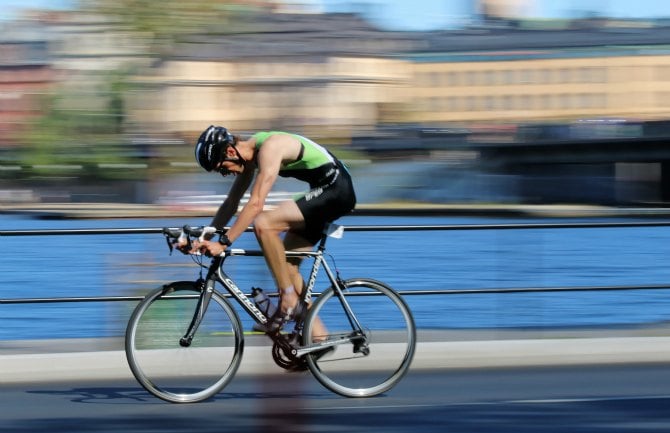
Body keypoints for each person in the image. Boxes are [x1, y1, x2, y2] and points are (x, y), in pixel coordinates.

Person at [186, 125, 356, 336]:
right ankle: (319, 337)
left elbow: (256, 203)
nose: (224, 174)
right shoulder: (250, 159)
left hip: (337, 189)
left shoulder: (269, 148)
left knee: (264, 224)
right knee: (286, 267)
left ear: (230, 151)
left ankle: (288, 298)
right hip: (323, 192)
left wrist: (223, 243)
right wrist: (204, 237)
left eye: (221, 168)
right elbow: (231, 203)